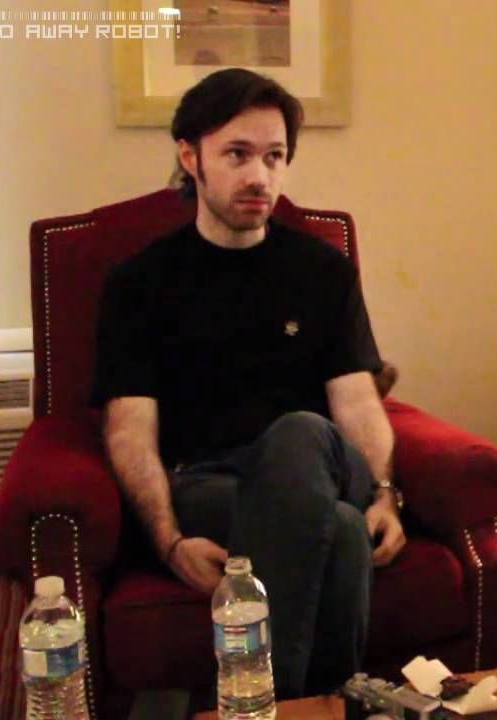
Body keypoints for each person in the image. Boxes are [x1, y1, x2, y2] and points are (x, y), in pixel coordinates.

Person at [91, 68, 405, 699]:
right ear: (191, 158)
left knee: (300, 432)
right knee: (343, 533)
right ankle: (322, 706)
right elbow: (129, 431)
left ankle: (256, 704)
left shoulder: (322, 271)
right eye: (237, 154)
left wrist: (385, 494)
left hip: (319, 462)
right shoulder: (139, 284)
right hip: (205, 482)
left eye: (274, 156)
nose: (260, 176)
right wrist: (168, 541)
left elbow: (356, 401)